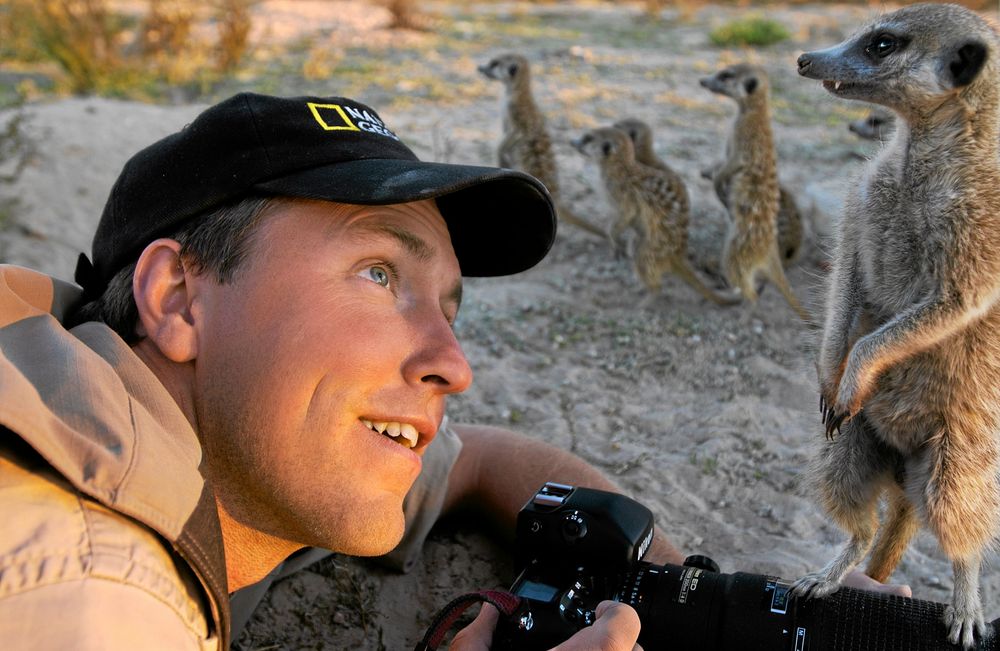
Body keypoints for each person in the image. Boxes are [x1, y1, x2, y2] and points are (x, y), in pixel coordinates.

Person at [0, 92, 903, 651]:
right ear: (178, 298)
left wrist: (681, 591)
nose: (454, 365)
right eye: (378, 275)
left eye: (450, 305)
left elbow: (480, 461)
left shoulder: (125, 381)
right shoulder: (85, 589)